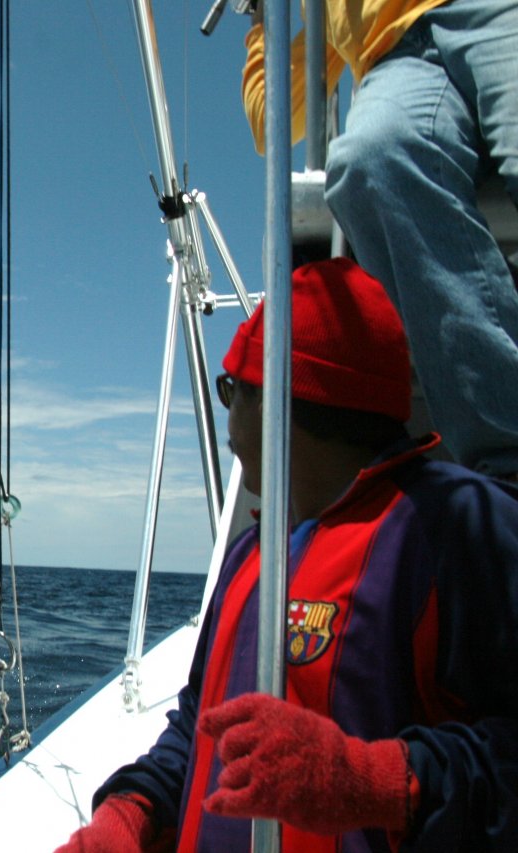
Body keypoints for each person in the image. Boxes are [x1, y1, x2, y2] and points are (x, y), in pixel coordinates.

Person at [55, 258, 518, 852]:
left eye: (232, 390)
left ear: (281, 404)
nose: (228, 420)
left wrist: (376, 782)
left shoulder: (456, 526)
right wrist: (133, 809)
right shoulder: (253, 551)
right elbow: (201, 727)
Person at [242, 0, 518, 482]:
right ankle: (508, 459)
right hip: (394, 58)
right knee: (369, 162)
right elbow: (273, 120)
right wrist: (263, 21)